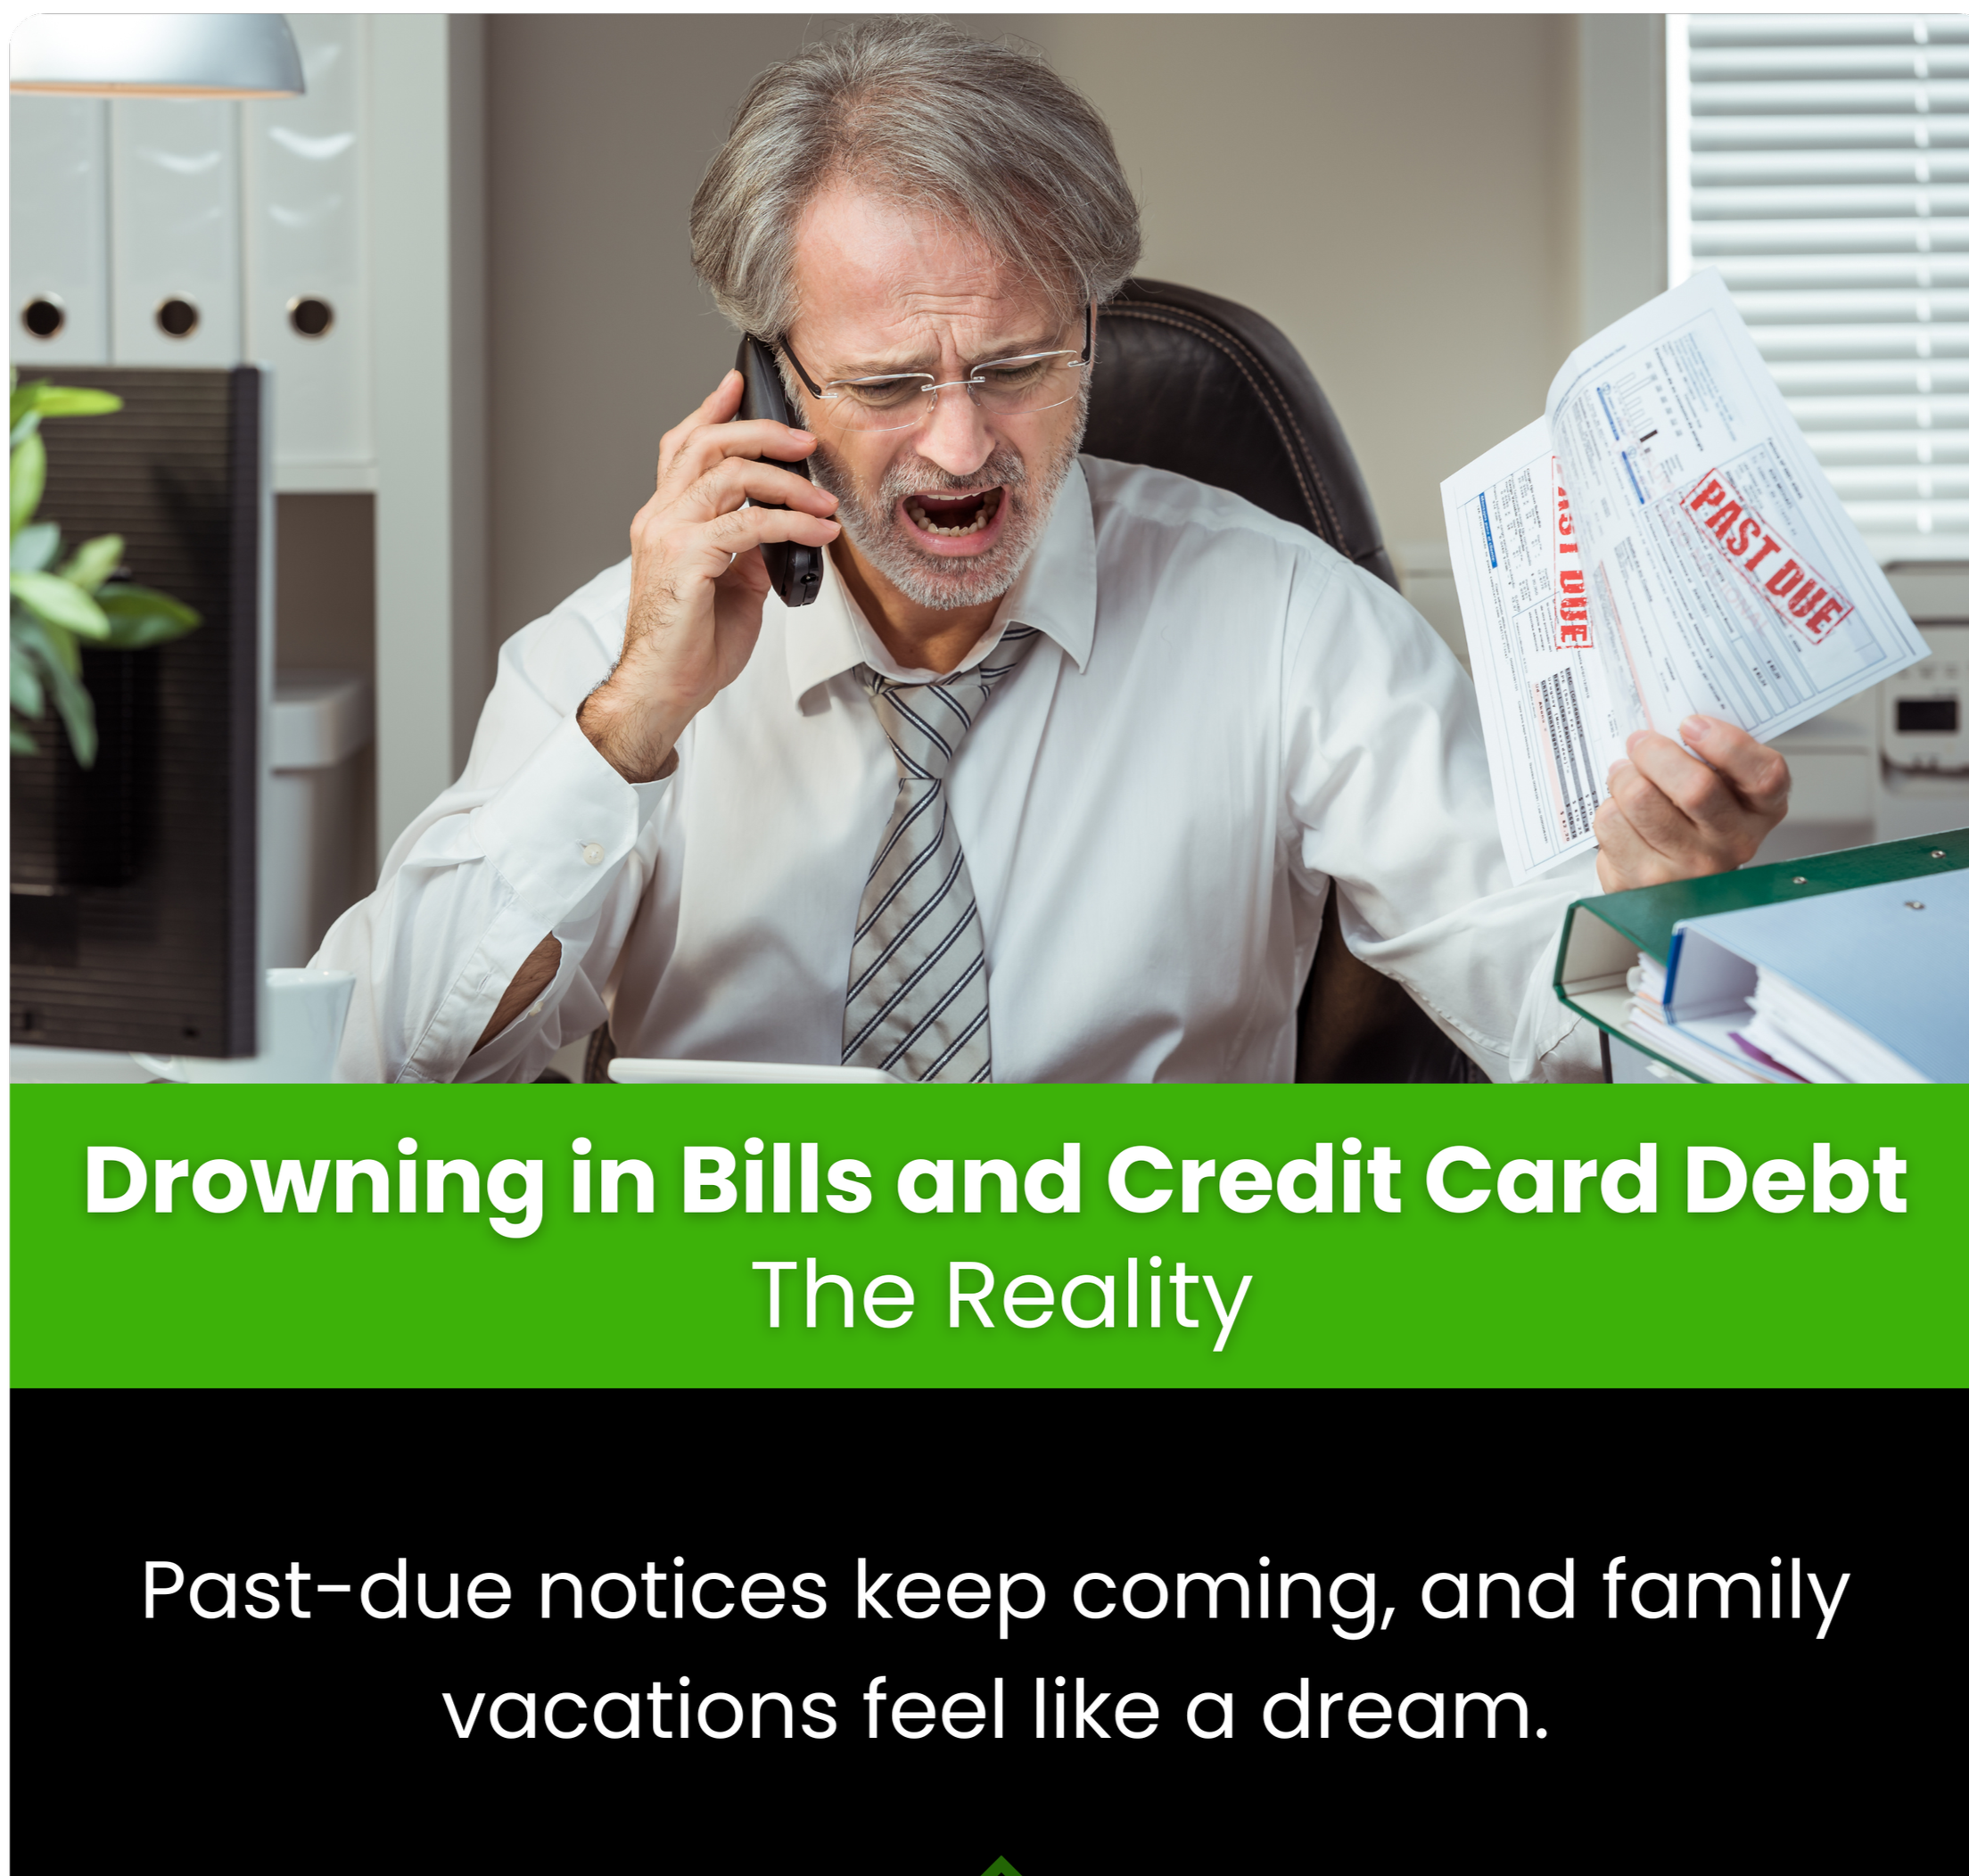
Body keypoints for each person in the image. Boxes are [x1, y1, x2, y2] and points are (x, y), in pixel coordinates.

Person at [317, 17, 1789, 1084]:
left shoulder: (1293, 624)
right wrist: (630, 727)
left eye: (1018, 366)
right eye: (889, 383)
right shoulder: (613, 658)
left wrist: (1653, 906)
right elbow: (378, 1081)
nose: (963, 446)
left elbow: (1564, 1046)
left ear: (1089, 328)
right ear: (773, 383)